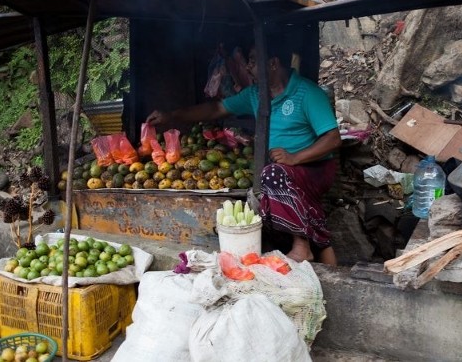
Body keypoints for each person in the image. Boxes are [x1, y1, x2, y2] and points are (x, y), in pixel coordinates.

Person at [146, 44, 341, 265]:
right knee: (275, 176)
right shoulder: (256, 94)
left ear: (273, 64)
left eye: (253, 61)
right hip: (285, 167)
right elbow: (216, 109)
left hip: (314, 168)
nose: (247, 67)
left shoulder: (307, 93)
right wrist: (171, 115)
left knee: (272, 175)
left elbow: (333, 139)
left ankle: (301, 246)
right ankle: (324, 260)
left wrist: (295, 158)